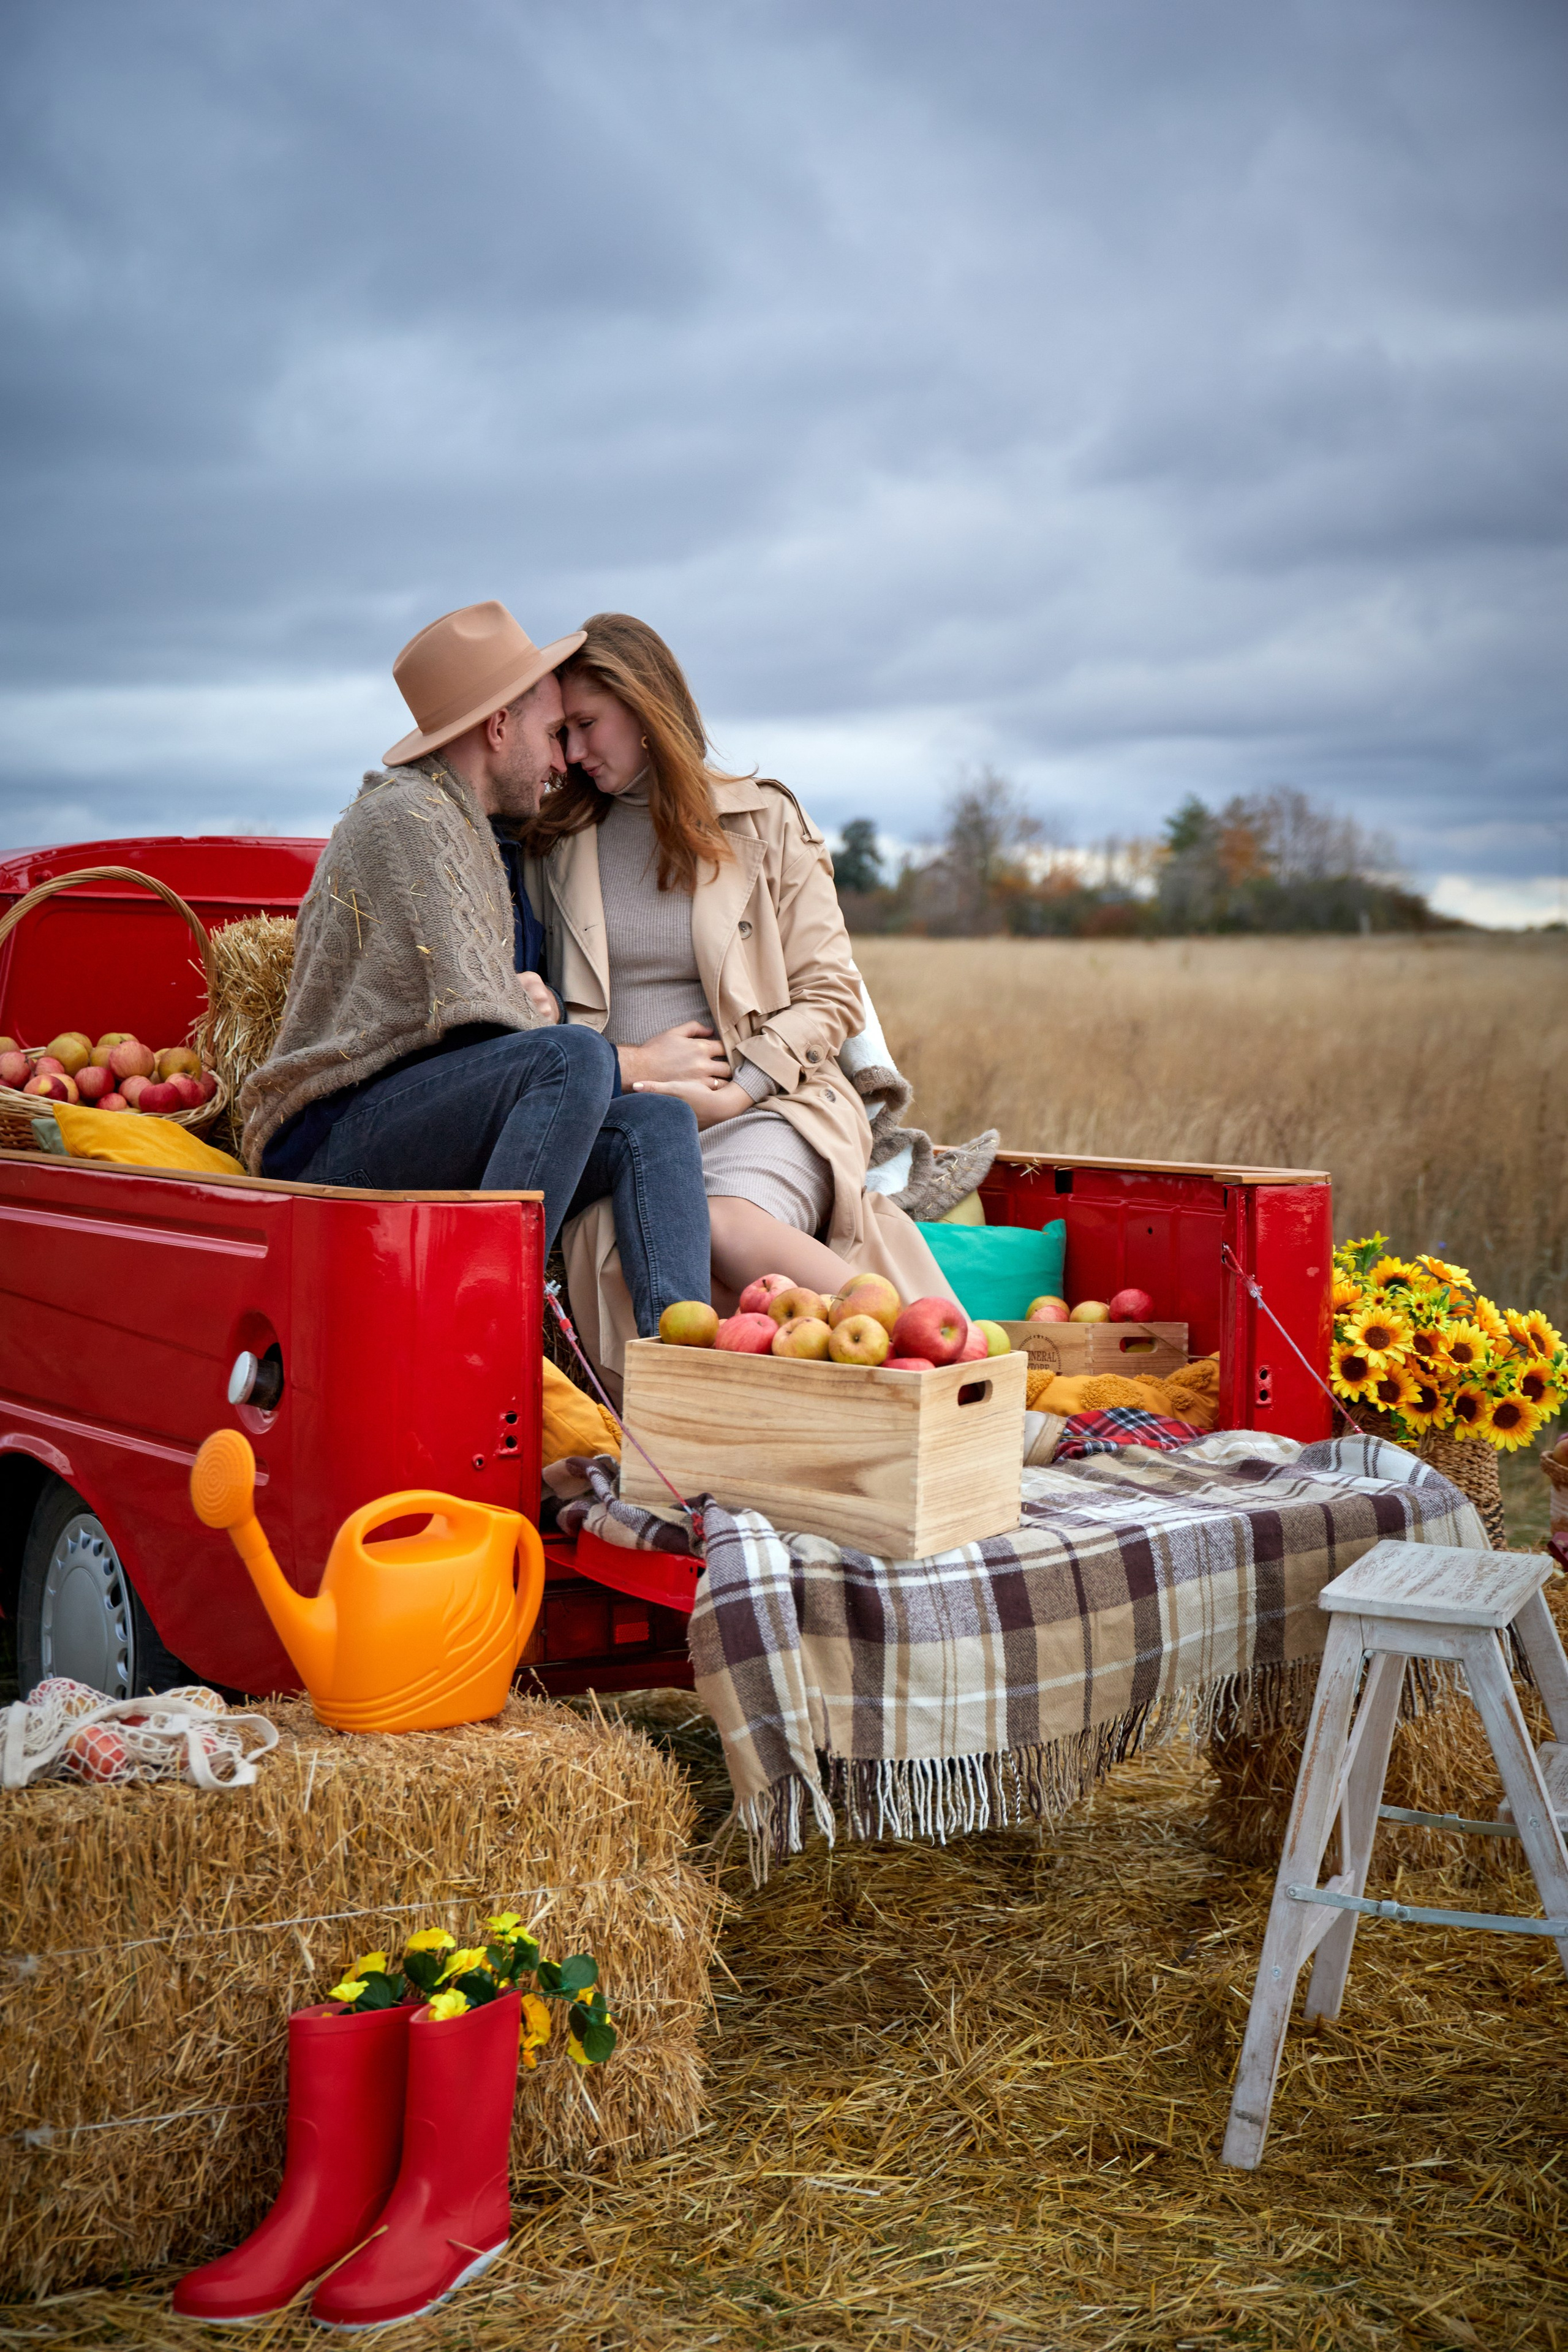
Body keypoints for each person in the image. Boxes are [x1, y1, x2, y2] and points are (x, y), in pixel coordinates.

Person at [238, 601, 712, 1338]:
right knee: (572, 1058)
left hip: (421, 1124)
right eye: (555, 734)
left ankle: (684, 1364)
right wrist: (576, 1032)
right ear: (498, 728)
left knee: (655, 1120)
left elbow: (496, 1029)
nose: (562, 761)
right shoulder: (407, 819)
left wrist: (537, 1016)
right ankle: (478, 1332)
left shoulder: (480, 833)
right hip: (330, 1147)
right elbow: (478, 1023)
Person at [523, 611, 950, 1378]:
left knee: (721, 1226)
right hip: (625, 1125)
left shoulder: (764, 819)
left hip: (769, 1104)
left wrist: (737, 1091)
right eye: (561, 734)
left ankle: (943, 1363)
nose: (574, 752)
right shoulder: (549, 845)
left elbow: (830, 992)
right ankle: (784, 1432)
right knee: (679, 1278)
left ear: (646, 706)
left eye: (587, 724)